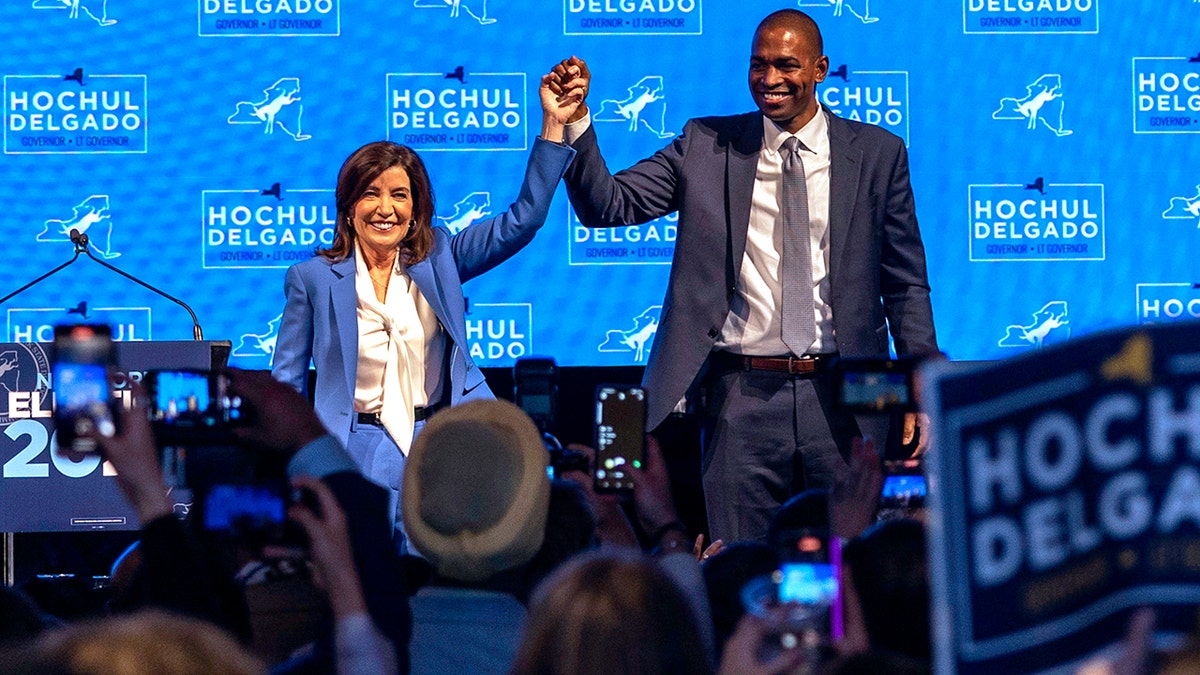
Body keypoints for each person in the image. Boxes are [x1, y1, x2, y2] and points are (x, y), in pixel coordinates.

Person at [550, 8, 937, 543]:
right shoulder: (706, 145)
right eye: (758, 65)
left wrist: (920, 384)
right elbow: (608, 206)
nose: (770, 79)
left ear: (820, 68)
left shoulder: (877, 153)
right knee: (738, 567)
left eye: (786, 65)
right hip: (740, 395)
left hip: (850, 392)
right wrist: (575, 124)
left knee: (854, 566)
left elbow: (905, 283)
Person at [271, 70, 584, 545]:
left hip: (439, 443)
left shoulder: (441, 258)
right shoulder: (311, 278)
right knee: (368, 575)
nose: (385, 208)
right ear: (348, 207)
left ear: (416, 209)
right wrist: (288, 464)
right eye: (370, 193)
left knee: (436, 570)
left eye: (399, 195)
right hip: (352, 448)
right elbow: (286, 383)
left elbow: (523, 220)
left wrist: (553, 127)